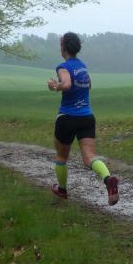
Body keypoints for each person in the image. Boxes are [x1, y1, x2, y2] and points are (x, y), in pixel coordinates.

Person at [47, 32, 119, 205]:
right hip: (86, 117)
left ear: (63, 47)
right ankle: (108, 179)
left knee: (61, 157)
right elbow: (89, 84)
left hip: (67, 118)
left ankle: (62, 190)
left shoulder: (63, 67)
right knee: (90, 157)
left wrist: (55, 86)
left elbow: (67, 84)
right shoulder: (83, 66)